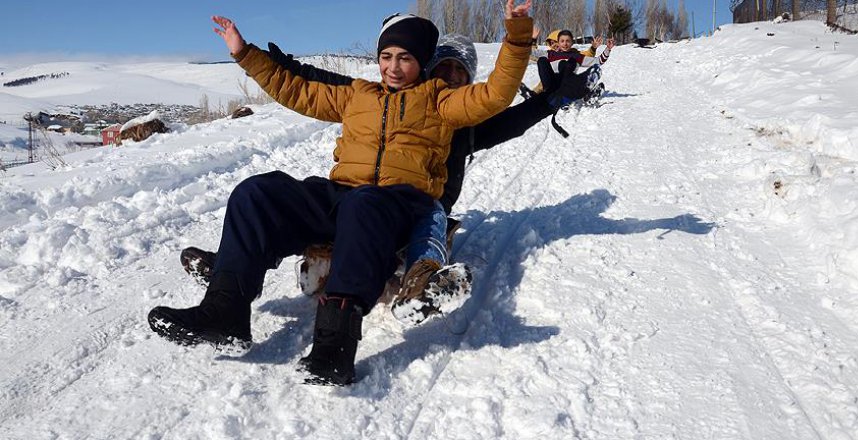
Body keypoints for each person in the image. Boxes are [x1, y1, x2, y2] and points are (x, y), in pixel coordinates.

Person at [148, 2, 535, 386]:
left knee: (365, 203)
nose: (393, 67)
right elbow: (296, 89)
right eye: (386, 56)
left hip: (400, 204)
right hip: (345, 194)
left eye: (405, 58)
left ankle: (335, 345)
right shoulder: (358, 95)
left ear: (422, 62)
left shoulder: (441, 101)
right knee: (258, 192)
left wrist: (516, 33)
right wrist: (243, 53)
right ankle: (224, 312)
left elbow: (496, 94)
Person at [181, 34, 599, 326]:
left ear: (469, 78)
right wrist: (282, 66)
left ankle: (422, 285)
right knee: (287, 196)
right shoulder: (405, 100)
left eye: (460, 72)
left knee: (433, 220)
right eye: (444, 68)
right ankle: (233, 267)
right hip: (369, 198)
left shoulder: (468, 121)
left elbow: (509, 118)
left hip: (421, 203)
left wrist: (548, 102)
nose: (452, 77)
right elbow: (331, 87)